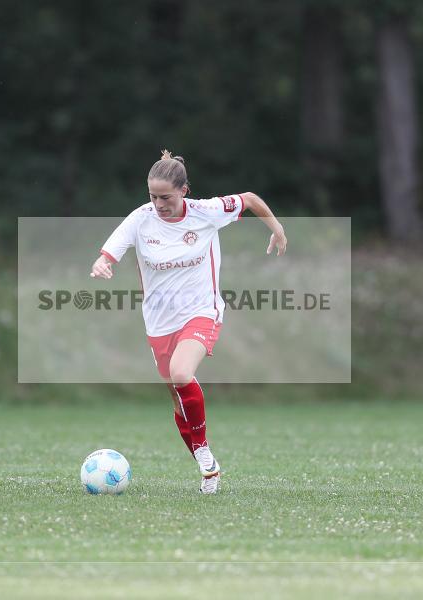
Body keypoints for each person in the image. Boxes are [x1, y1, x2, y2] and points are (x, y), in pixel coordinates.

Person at [90, 149, 287, 494]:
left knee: (182, 373)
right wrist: (103, 263)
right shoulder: (140, 219)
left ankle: (204, 452)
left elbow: (251, 200)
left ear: (184, 191)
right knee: (178, 397)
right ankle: (205, 464)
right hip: (159, 322)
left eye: (165, 197)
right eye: (152, 196)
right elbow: (111, 251)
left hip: (201, 311)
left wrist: (277, 229)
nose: (158, 203)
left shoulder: (206, 212)